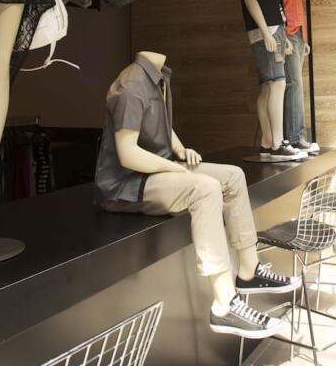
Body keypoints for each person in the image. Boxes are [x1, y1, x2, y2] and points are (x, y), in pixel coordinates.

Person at [96, 51, 300, 340]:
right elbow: (127, 155)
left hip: (156, 171)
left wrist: (179, 150)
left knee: (233, 176)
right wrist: (173, 168)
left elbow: (162, 124)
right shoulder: (131, 84)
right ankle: (223, 303)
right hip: (127, 185)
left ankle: (248, 270)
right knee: (205, 189)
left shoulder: (157, 78)